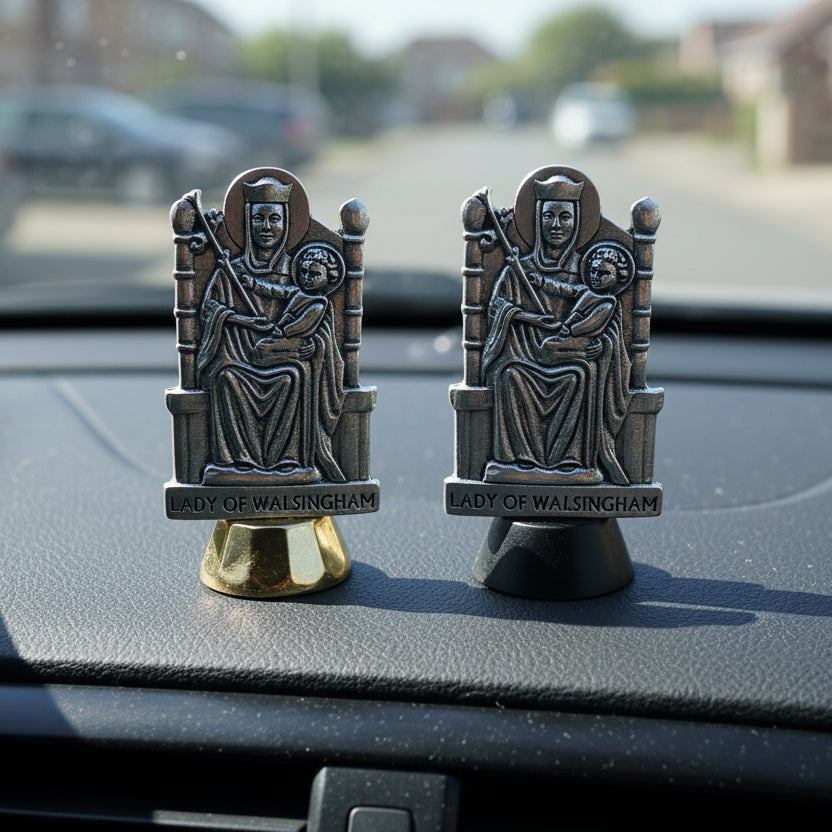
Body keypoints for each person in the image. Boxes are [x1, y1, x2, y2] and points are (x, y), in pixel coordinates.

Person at [481, 175, 632, 485]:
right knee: (509, 376)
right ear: (537, 220)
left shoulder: (589, 271)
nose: (556, 224)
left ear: (577, 222)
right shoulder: (517, 269)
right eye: (549, 215)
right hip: (522, 355)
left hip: (569, 355)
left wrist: (600, 347)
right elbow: (496, 310)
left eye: (565, 216)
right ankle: (518, 462)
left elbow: (609, 324)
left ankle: (571, 462)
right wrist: (531, 319)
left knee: (579, 375)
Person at [196, 177, 345, 485]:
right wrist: (243, 321)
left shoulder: (300, 272)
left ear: (286, 224)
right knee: (225, 378)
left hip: (283, 357)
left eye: (274, 218)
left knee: (293, 376)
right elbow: (209, 311)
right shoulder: (230, 270)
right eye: (258, 219)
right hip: (237, 357)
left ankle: (289, 462)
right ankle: (237, 463)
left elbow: (320, 325)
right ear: (247, 224)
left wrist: (314, 346)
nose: (266, 227)